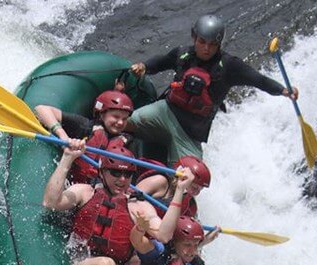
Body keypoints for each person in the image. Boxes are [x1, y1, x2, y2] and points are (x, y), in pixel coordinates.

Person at [128, 14, 299, 163]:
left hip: (191, 132)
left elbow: (258, 80)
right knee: (125, 123)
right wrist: (144, 66)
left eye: (212, 44)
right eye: (202, 42)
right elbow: (160, 62)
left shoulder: (230, 66)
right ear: (194, 37)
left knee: (190, 176)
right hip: (165, 112)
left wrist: (283, 90)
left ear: (219, 44)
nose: (206, 48)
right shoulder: (181, 54)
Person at [35, 90, 136, 184]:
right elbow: (41, 109)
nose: (120, 122)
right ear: (101, 114)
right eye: (116, 117)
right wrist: (63, 135)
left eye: (124, 119)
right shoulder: (85, 126)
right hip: (75, 185)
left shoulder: (127, 142)